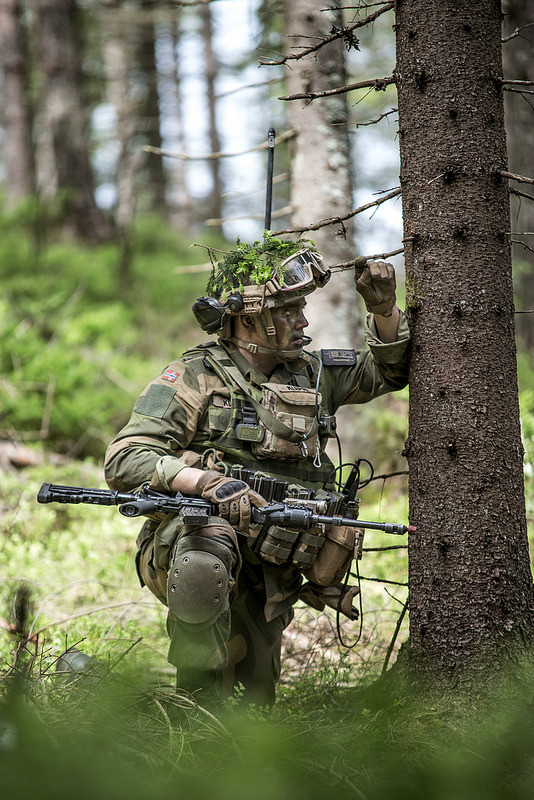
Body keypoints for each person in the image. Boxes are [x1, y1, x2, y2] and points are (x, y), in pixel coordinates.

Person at [104, 237, 410, 706]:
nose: (303, 321)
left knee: (254, 698)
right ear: (249, 318)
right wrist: (204, 481)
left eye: (301, 309)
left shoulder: (315, 373)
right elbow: (125, 458)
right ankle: (192, 710)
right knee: (205, 556)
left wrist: (385, 309)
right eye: (289, 311)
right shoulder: (195, 376)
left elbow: (389, 372)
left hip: (276, 559)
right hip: (194, 546)